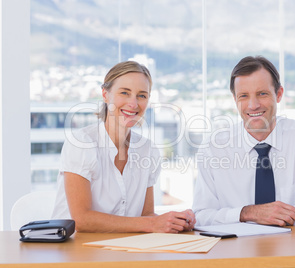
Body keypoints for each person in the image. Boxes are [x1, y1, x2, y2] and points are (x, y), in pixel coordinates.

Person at [52, 61, 195, 233]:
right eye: (125, 93)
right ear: (105, 94)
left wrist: (175, 222)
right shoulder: (82, 143)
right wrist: (152, 224)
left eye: (142, 95)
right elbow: (81, 219)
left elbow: (146, 215)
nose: (133, 104)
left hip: (123, 249)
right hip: (74, 251)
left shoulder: (147, 150)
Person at [193, 56, 295, 227]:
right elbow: (201, 216)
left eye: (262, 94)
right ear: (235, 99)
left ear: (279, 94)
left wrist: (273, 216)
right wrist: (248, 213)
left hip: (294, 248)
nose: (253, 105)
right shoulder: (213, 148)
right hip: (236, 250)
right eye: (244, 96)